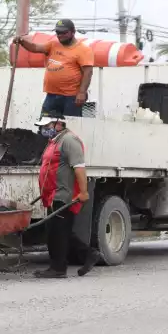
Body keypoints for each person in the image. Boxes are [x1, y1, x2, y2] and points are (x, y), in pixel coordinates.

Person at [33, 113, 101, 279]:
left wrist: (83, 192)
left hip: (64, 194)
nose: (43, 129)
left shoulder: (70, 141)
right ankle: (88, 254)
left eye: (47, 126)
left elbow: (79, 168)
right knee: (58, 231)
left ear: (58, 124)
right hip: (52, 194)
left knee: (58, 232)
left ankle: (58, 268)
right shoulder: (55, 141)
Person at [14, 19, 94, 117]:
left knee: (70, 127)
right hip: (51, 95)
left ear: (73, 32)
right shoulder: (53, 44)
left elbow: (88, 72)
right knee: (46, 126)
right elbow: (34, 48)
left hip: (71, 97)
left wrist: (82, 92)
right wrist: (22, 41)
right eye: (58, 32)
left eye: (64, 32)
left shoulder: (83, 50)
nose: (60, 35)